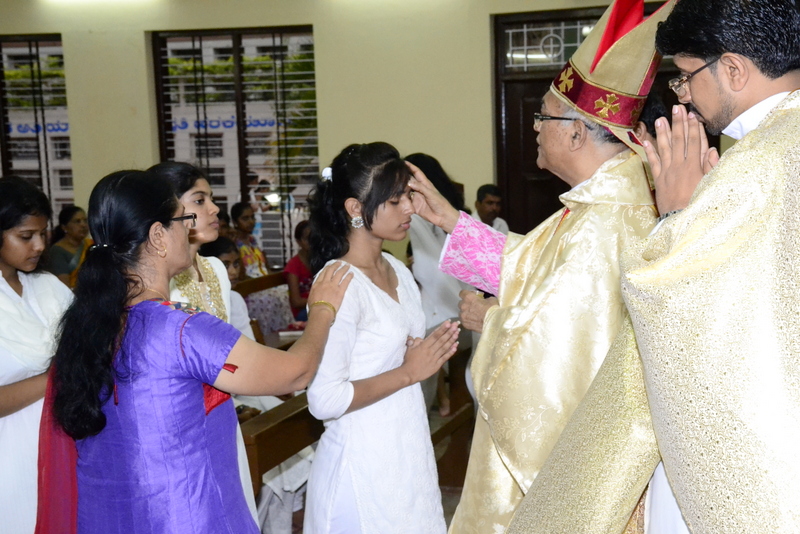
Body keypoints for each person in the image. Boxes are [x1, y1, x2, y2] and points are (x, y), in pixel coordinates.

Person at [512, 2, 800, 533]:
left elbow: (681, 309)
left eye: (686, 77)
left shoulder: (751, 168)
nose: (683, 95)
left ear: (733, 69)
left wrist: (675, 219)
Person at [407, 1, 674, 530]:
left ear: (576, 133)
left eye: (543, 116)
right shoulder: (600, 207)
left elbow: (561, 356)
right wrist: (449, 220)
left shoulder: (604, 222)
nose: (535, 127)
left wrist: (491, 320)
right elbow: (528, 267)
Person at [41, 169, 351, 534]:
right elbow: (295, 372)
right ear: (158, 236)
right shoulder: (180, 329)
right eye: (182, 220)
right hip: (183, 516)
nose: (189, 229)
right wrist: (323, 308)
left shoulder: (89, 325)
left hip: (108, 518)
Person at [304, 142, 460, 534]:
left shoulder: (396, 268)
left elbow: (393, 353)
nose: (409, 208)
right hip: (361, 464)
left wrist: (417, 354)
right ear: (355, 208)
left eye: (408, 195)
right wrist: (409, 371)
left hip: (406, 446)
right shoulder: (338, 282)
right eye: (394, 201)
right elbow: (324, 399)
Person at [0, 176, 73, 534]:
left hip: (66, 442)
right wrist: (57, 377)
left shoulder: (48, 287)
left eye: (43, 234)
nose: (40, 245)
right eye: (26, 236)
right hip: (11, 455)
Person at [404, 153, 471, 415]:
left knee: (411, 345)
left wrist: (408, 271)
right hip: (466, 313)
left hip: (445, 318)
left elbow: (427, 271)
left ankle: (422, 413)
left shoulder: (417, 214)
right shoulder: (458, 212)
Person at [45, 205, 92, 288]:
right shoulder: (57, 251)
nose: (83, 225)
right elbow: (64, 287)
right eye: (77, 221)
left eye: (85, 220)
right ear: (64, 227)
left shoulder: (91, 244)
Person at [284, 220, 313, 321]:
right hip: (302, 312)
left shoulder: (320, 261)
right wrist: (320, 301)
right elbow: (296, 302)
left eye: (314, 238)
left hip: (318, 306)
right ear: (298, 241)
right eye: (307, 238)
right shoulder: (293, 265)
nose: (312, 242)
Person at [231, 201, 269, 278]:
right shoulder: (233, 244)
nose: (251, 222)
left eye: (252, 217)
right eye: (245, 218)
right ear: (235, 222)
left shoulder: (253, 240)